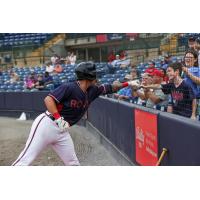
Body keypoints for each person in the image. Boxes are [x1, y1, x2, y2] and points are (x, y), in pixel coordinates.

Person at [12, 61, 134, 166]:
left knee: (73, 163)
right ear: (89, 76)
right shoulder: (69, 87)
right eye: (94, 74)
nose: (97, 77)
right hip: (47, 125)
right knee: (25, 160)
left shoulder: (92, 91)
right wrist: (59, 119)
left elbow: (111, 87)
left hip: (62, 131)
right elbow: (48, 100)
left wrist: (128, 84)